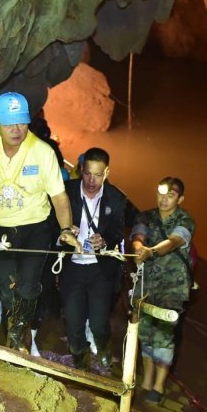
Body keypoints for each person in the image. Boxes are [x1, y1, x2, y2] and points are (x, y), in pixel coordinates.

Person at [0, 92, 81, 351]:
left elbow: (59, 197)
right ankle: (19, 336)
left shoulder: (42, 152)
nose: (16, 129)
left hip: (36, 228)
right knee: (9, 290)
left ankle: (16, 339)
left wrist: (66, 228)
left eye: (21, 122)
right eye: (9, 123)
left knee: (28, 286)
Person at [59, 147, 127, 371]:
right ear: (81, 170)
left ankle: (104, 347)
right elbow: (50, 225)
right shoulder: (65, 193)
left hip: (100, 271)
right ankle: (80, 356)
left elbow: (118, 233)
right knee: (73, 320)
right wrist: (64, 233)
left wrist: (105, 241)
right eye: (87, 173)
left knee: (99, 323)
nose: (91, 180)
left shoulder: (116, 199)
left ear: (106, 172)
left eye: (98, 175)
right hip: (72, 268)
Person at [131, 177, 196, 404]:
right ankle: (147, 380)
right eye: (161, 194)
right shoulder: (145, 216)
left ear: (180, 198)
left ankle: (158, 386)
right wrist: (139, 248)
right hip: (146, 283)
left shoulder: (185, 220)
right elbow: (138, 236)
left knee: (164, 336)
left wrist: (151, 251)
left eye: (171, 195)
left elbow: (174, 241)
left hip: (172, 287)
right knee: (145, 332)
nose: (164, 199)